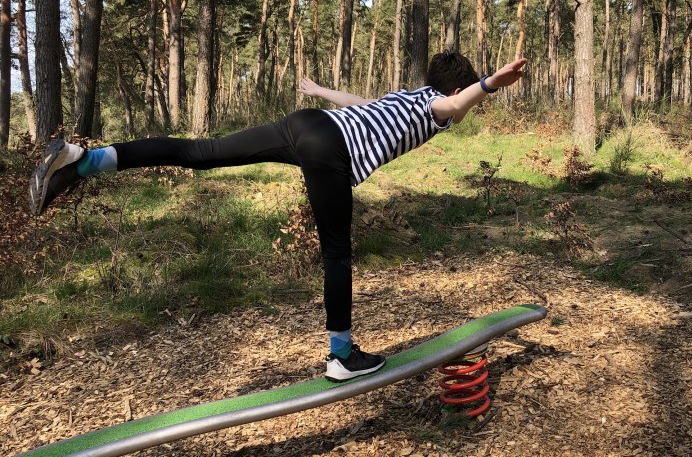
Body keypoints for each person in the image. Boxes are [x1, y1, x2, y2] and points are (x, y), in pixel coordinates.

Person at [29, 52, 527, 381]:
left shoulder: (411, 96)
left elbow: (360, 103)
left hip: (305, 125)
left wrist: (318, 90)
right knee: (337, 252)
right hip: (331, 148)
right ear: (457, 89)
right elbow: (459, 102)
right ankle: (341, 355)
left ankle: (85, 160)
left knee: (202, 152)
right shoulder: (443, 106)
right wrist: (490, 83)